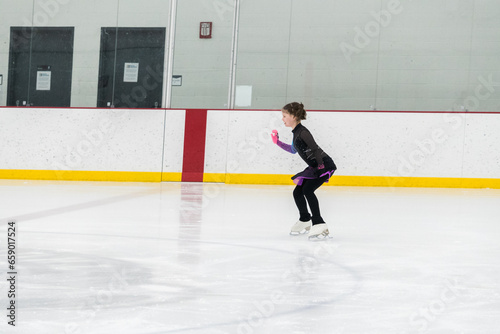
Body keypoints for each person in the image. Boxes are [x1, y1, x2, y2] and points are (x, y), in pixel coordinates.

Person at [271, 102, 336, 240]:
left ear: (293, 116)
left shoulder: (303, 132)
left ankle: (319, 223)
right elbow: (293, 150)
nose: (282, 119)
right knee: (298, 192)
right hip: (316, 166)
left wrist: (320, 167)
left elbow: (314, 148)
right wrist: (277, 142)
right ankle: (305, 219)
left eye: (284, 116)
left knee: (307, 190)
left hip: (324, 165)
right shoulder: (296, 133)